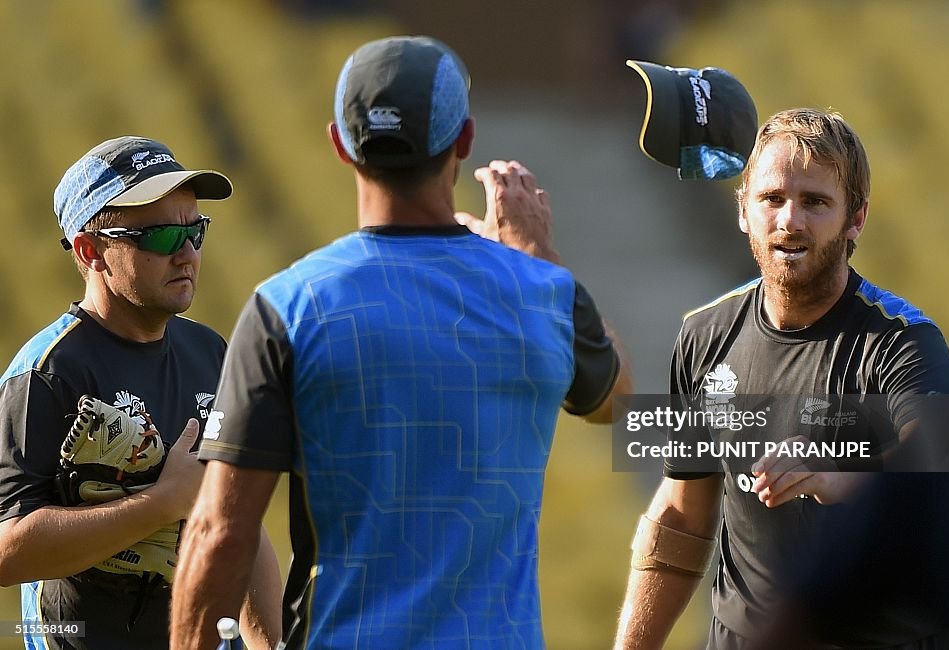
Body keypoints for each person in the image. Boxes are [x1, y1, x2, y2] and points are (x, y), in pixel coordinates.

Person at [170, 35, 631, 649]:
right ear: (464, 141)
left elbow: (221, 532)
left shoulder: (287, 307)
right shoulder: (543, 294)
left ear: (339, 143)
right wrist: (538, 256)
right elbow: (616, 400)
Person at [614, 108, 949, 649]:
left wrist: (841, 474)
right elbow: (682, 515)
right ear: (743, 211)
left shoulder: (902, 339)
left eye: (816, 202)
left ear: (856, 219)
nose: (790, 221)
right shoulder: (704, 335)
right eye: (772, 199)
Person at [0, 136, 282, 649]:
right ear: (92, 251)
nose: (187, 252)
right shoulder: (46, 372)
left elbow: (239, 522)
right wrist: (160, 503)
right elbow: (5, 551)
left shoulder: (212, 352)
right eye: (161, 236)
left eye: (195, 230)